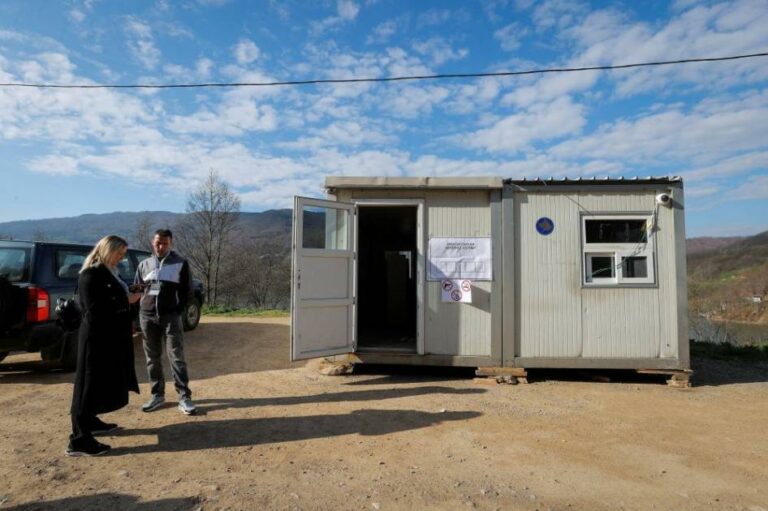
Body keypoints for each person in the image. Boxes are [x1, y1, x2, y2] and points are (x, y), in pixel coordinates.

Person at [67, 235, 141, 457]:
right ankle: (79, 440)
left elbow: (111, 297)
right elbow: (94, 309)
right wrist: (126, 300)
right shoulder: (90, 275)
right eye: (119, 253)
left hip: (109, 338)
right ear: (108, 250)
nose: (121, 258)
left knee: (99, 382)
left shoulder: (110, 272)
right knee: (86, 385)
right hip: (96, 339)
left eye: (123, 254)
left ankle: (90, 420)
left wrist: (128, 295)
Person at [135, 229, 196, 415]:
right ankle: (157, 395)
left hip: (171, 317)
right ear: (152, 243)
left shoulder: (181, 263)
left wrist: (177, 311)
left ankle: (184, 397)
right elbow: (138, 290)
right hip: (147, 317)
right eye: (157, 243)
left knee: (176, 357)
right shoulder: (144, 264)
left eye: (164, 243)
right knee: (152, 358)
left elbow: (187, 291)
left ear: (170, 244)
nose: (160, 246)